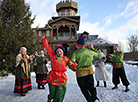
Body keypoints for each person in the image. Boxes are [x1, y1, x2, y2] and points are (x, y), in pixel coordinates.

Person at [41, 37, 76, 102]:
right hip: (53, 76)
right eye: (57, 51)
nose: (59, 52)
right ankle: (49, 98)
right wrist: (43, 40)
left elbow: (72, 66)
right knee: (52, 93)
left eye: (60, 51)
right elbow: (47, 47)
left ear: (63, 51)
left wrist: (72, 64)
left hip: (61, 78)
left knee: (60, 93)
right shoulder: (53, 56)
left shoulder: (66, 59)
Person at [69, 37, 100, 102]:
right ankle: (95, 98)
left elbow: (71, 62)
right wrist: (92, 48)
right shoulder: (90, 52)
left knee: (84, 89)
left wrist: (72, 68)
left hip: (80, 74)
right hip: (89, 72)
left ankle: (90, 100)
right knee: (91, 87)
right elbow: (97, 55)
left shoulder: (76, 53)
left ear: (78, 45)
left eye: (76, 45)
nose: (76, 46)